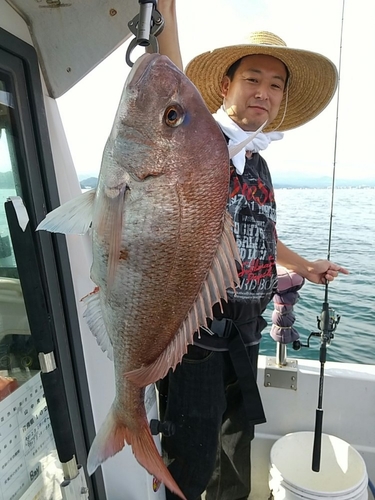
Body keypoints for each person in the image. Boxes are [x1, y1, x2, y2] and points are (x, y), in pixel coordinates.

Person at [153, 2, 349, 499]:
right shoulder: (201, 140)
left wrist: (305, 266)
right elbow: (172, 86)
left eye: (276, 85)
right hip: (197, 338)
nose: (264, 92)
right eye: (252, 79)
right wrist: (167, 14)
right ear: (225, 86)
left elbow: (260, 233)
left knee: (234, 460)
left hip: (246, 333)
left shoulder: (257, 162)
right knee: (189, 467)